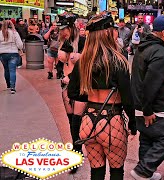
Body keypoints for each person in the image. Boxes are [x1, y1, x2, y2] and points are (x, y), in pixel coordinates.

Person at [68, 14, 136, 180]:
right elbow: (127, 99)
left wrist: (91, 95)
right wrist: (133, 124)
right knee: (116, 172)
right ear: (107, 32)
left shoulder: (83, 62)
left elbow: (72, 93)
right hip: (112, 122)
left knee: (96, 173)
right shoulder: (118, 61)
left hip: (88, 122)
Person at [130, 15, 164, 180]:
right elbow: (150, 84)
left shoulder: (143, 47)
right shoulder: (160, 52)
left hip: (140, 103)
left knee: (147, 138)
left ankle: (146, 173)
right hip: (154, 107)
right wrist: (148, 110)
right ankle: (143, 170)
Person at [57, 13, 87, 173]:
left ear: (72, 28)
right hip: (66, 86)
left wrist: (71, 76)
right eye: (61, 29)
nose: (63, 32)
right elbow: (60, 66)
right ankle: (77, 152)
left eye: (65, 29)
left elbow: (88, 65)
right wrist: (63, 75)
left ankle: (77, 155)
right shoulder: (63, 43)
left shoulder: (82, 41)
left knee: (77, 122)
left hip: (80, 85)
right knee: (71, 122)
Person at [0, 20, 23, 94]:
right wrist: (20, 49)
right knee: (12, 70)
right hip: (13, 53)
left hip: (3, 54)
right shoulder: (14, 33)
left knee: (6, 69)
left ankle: (8, 85)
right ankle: (13, 88)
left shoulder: (0, 33)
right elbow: (20, 45)